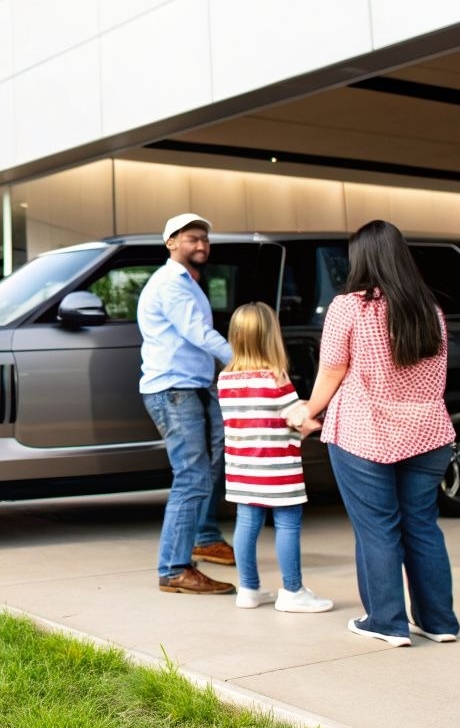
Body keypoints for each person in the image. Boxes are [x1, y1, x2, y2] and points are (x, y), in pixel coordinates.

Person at [288, 220, 460, 648]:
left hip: (365, 433)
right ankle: (439, 622)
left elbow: (331, 368)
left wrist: (308, 410)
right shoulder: (430, 310)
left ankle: (386, 621)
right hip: (429, 432)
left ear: (360, 258)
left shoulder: (350, 307)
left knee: (378, 529)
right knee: (422, 525)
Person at [138, 213, 235, 595]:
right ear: (171, 242)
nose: (201, 246)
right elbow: (199, 333)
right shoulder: (171, 284)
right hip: (174, 390)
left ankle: (194, 548)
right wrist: (244, 360)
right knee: (191, 476)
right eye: (193, 238)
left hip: (188, 387)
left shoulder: (187, 283)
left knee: (199, 472)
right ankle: (175, 569)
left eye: (205, 240)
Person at [218, 302, 334, 614]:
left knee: (247, 522)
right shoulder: (276, 378)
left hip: (242, 468)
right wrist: (318, 415)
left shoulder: (225, 380)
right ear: (271, 337)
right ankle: (293, 590)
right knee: (287, 523)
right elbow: (297, 418)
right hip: (279, 468)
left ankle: (248, 589)